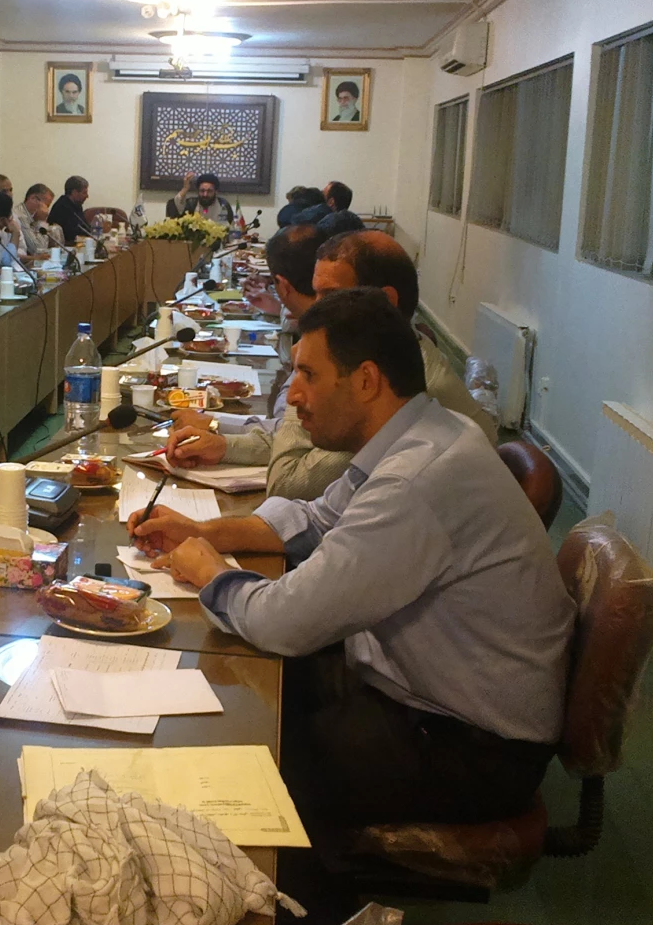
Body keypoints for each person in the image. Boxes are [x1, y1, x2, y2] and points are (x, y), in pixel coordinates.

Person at [130, 287, 574, 838]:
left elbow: (284, 622)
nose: (293, 396)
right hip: (417, 686)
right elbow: (317, 519)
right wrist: (202, 532)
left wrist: (211, 573)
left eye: (308, 375)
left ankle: (302, 889)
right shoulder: (422, 432)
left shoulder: (417, 479)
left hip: (468, 745)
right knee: (240, 693)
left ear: (366, 380)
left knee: (238, 760)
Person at [164, 224, 351, 501]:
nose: (321, 306)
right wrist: (220, 438)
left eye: (329, 295)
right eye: (317, 294)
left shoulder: (352, 362)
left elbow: (289, 478)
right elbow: (289, 434)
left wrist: (301, 376)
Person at [313, 230, 498, 444]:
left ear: (386, 302)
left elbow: (293, 467)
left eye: (331, 296)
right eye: (316, 294)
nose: (315, 310)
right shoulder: (381, 356)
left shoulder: (410, 390)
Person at [167, 172, 235, 225]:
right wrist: (185, 188)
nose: (205, 194)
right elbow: (176, 205)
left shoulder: (223, 205)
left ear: (216, 192)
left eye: (209, 191)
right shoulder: (191, 203)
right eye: (202, 191)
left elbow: (230, 227)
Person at [45, 175, 91, 245]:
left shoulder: (77, 205)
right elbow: (70, 235)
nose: (87, 196)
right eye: (84, 193)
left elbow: (84, 228)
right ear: (74, 192)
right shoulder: (61, 207)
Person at [14, 183, 55, 254]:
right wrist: (42, 221)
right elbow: (37, 249)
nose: (47, 210)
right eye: (46, 205)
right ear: (33, 198)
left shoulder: (34, 216)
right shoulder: (20, 216)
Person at [0, 192, 27, 261]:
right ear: (2, 220)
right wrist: (16, 233)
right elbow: (7, 260)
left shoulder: (5, 229)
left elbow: (21, 250)